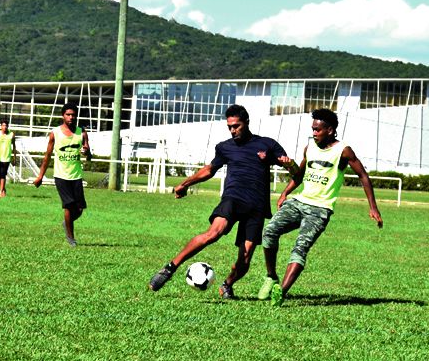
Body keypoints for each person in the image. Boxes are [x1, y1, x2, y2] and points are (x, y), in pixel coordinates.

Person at [149, 104, 296, 298]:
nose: (233, 130)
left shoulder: (267, 144)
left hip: (257, 207)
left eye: (236, 125)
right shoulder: (225, 147)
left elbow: (294, 172)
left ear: (246, 123)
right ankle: (170, 268)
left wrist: (290, 166)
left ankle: (227, 284)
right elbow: (209, 169)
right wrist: (185, 184)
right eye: (230, 127)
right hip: (233, 198)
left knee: (245, 257)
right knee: (213, 233)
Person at [257, 108, 382, 305]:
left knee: (300, 248)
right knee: (269, 231)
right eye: (313, 129)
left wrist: (373, 207)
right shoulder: (310, 147)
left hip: (320, 209)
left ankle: (281, 292)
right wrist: (285, 192)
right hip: (299, 201)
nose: (314, 133)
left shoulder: (344, 151)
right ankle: (271, 276)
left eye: (318, 130)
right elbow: (300, 173)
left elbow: (363, 176)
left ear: (330, 130)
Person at [31, 103, 91, 246]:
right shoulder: (55, 133)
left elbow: (89, 155)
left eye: (73, 114)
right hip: (61, 176)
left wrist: (87, 151)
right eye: (68, 114)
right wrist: (40, 176)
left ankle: (66, 223)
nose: (71, 117)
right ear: (63, 116)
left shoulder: (81, 132)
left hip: (76, 175)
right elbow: (47, 156)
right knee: (69, 206)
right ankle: (71, 238)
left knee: (80, 209)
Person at [0, 120, 15, 198]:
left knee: (3, 174)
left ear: (8, 126)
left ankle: (1, 192)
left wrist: (14, 157)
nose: (4, 127)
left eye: (6, 125)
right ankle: (3, 189)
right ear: (1, 126)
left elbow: (14, 146)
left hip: (6, 158)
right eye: (3, 125)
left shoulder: (11, 134)